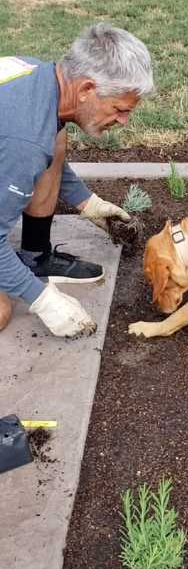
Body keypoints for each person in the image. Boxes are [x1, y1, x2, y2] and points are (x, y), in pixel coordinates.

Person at [0, 23, 153, 337]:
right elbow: (28, 150)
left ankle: (35, 257)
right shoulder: (24, 142)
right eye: (119, 109)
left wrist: (89, 204)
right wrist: (42, 300)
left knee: (55, 138)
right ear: (86, 90)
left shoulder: (38, 78)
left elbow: (41, 153)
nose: (123, 121)